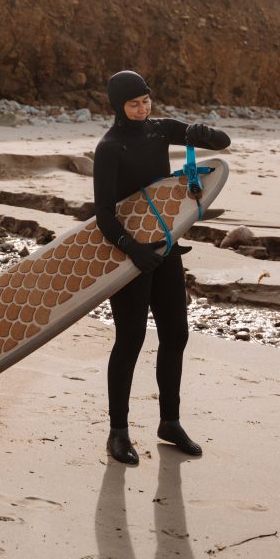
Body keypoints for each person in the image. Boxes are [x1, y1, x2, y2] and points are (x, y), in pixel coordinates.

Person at [93, 70, 231, 465]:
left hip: (166, 247)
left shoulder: (159, 131)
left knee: (176, 336)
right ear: (118, 106)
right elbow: (103, 214)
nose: (142, 108)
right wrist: (133, 250)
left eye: (146, 100)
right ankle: (117, 433)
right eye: (133, 103)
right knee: (130, 339)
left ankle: (169, 422)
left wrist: (202, 132)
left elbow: (222, 142)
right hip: (127, 255)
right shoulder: (110, 147)